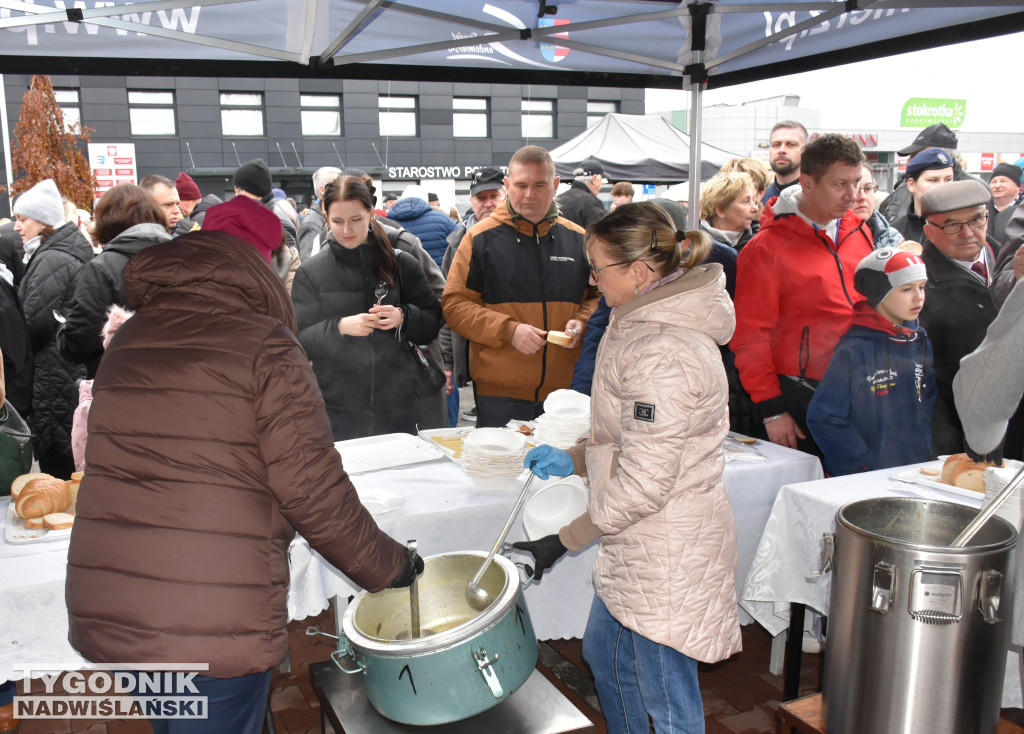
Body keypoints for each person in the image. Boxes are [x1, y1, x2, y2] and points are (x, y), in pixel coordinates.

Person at [64, 195, 422, 734]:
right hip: (207, 615)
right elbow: (311, 491)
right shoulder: (265, 345)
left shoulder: (131, 338)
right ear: (263, 264)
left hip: (117, 602)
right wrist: (390, 566)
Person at [513, 202, 741, 734]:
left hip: (666, 546)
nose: (592, 280)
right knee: (608, 657)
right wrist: (574, 456)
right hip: (638, 542)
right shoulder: (637, 319)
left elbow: (643, 483)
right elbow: (627, 435)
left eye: (599, 269)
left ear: (641, 272)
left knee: (664, 693)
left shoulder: (665, 352)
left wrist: (560, 541)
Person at [732, 133, 874, 457]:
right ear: (807, 183)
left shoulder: (858, 230)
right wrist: (772, 409)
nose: (853, 195)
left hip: (860, 390)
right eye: (841, 185)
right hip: (800, 395)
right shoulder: (765, 248)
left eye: (859, 183)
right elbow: (750, 337)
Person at [443, 145, 598, 428]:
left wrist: (582, 321)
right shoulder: (479, 239)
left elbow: (600, 297)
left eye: (539, 184)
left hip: (565, 393)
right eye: (521, 185)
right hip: (499, 393)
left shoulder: (579, 239)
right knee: (499, 469)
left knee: (564, 470)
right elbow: (455, 306)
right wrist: (508, 330)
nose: (529, 194)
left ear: (555, 185)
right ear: (508, 185)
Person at [292, 175, 442, 440]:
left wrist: (403, 317)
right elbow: (297, 340)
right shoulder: (311, 272)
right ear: (326, 217)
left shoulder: (402, 264)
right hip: (338, 407)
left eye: (356, 220)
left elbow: (433, 320)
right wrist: (338, 327)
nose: (346, 229)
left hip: (401, 404)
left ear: (371, 214)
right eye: (337, 221)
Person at [807, 248, 936, 476]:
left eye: (922, 287)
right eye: (907, 289)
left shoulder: (919, 339)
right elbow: (825, 415)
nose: (919, 296)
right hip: (866, 475)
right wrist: (860, 461)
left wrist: (925, 448)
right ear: (879, 294)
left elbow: (927, 400)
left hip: (914, 467)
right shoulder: (856, 348)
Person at [917, 179, 1004, 456]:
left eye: (976, 220)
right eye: (953, 225)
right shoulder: (918, 288)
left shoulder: (1006, 261)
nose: (968, 233)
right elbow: (924, 377)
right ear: (930, 232)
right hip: (961, 431)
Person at [15, 179, 93, 477]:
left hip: (53, 374)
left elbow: (34, 322)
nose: (17, 227)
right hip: (65, 370)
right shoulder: (63, 251)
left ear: (43, 221)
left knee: (58, 461)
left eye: (23, 219)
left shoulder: (53, 258)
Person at [58, 183, 171, 377]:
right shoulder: (187, 257)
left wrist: (61, 329)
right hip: (184, 382)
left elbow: (79, 342)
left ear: (105, 221)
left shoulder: (102, 268)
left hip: (123, 385)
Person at [440, 167, 507, 426]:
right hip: (475, 355)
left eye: (494, 195)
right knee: (489, 429)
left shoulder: (524, 237)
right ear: (472, 202)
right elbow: (447, 305)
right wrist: (448, 360)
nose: (488, 203)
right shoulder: (457, 243)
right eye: (481, 198)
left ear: (507, 194)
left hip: (515, 352)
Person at [890, 148, 955, 244]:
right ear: (912, 185)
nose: (943, 186)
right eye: (933, 180)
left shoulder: (963, 227)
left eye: (948, 180)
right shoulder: (896, 233)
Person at [386, 184, 457, 269]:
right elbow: (462, 247)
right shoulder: (444, 221)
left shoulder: (387, 224)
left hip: (402, 279)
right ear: (427, 202)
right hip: (438, 279)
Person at [233, 158, 299, 249]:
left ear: (254, 189)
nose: (236, 196)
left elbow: (289, 261)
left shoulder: (277, 221)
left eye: (238, 190)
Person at [699, 170, 759, 255]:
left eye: (754, 201)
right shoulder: (694, 244)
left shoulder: (760, 242)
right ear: (721, 210)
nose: (755, 208)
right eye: (746, 201)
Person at [851, 167, 903, 250]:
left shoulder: (892, 239)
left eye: (868, 188)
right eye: (855, 189)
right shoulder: (828, 237)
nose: (862, 197)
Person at [297, 166, 341, 261]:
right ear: (322, 190)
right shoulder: (312, 223)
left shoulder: (325, 217)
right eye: (337, 185)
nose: (343, 188)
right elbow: (308, 264)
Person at [761, 120, 807, 205]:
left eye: (791, 144)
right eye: (776, 145)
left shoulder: (821, 199)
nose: (781, 150)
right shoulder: (760, 200)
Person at [555, 157, 606, 229]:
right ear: (594, 178)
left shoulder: (558, 200)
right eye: (601, 180)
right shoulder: (591, 203)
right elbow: (597, 235)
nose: (601, 184)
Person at [987, 162, 1021, 248]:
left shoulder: (1021, 210)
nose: (997, 185)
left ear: (1017, 186)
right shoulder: (983, 208)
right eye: (993, 182)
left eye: (1003, 181)